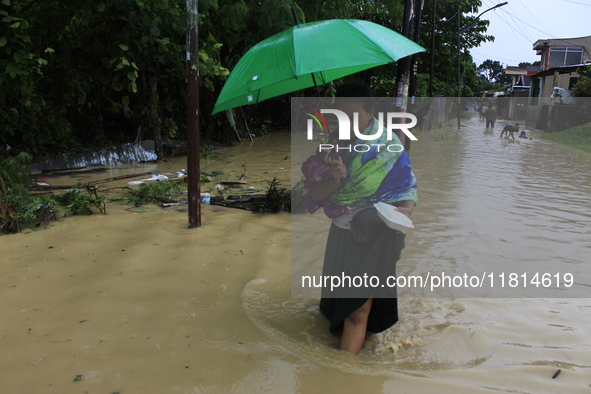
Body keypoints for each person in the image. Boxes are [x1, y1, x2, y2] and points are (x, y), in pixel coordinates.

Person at [301, 82, 418, 354]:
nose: (348, 125)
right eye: (342, 117)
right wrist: (335, 180)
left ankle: (342, 374)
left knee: (357, 310)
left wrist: (407, 211)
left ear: (370, 113)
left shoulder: (389, 146)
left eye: (355, 117)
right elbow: (315, 197)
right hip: (342, 235)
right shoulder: (329, 149)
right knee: (338, 306)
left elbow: (408, 187)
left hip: (377, 235)